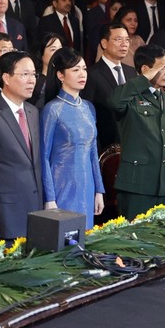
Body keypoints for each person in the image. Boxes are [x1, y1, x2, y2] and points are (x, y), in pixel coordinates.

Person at [0, 51, 42, 248]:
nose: (31, 80)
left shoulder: (32, 111)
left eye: (33, 74)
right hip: (6, 217)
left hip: (36, 213)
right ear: (6, 77)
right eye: (24, 75)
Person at [41, 48, 104, 229]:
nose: (82, 74)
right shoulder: (53, 110)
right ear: (60, 75)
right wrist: (50, 198)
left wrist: (99, 190)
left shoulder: (88, 107)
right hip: (62, 186)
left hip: (87, 186)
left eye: (84, 69)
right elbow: (44, 156)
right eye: (75, 70)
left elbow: (93, 152)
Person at [111, 44, 165, 220]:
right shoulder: (131, 95)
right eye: (164, 68)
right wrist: (144, 79)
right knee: (135, 242)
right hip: (137, 186)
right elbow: (115, 102)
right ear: (146, 70)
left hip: (161, 185)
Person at [81, 23, 136, 150]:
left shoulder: (131, 72)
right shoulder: (91, 74)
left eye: (127, 40)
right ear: (104, 43)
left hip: (131, 145)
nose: (124, 44)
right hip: (106, 146)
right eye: (118, 39)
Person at [29, 32, 62, 108]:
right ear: (41, 54)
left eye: (60, 49)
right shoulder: (37, 82)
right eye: (53, 49)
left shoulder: (64, 79)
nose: (58, 53)